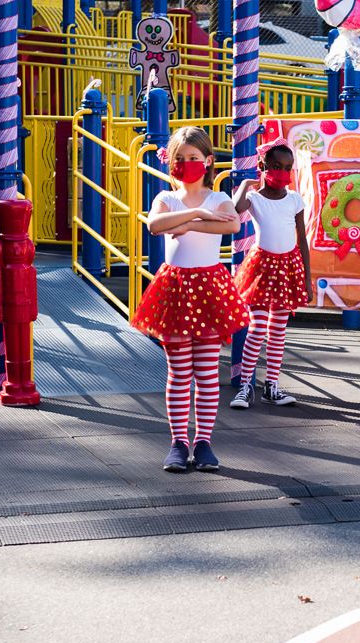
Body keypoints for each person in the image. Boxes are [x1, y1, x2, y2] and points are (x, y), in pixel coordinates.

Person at [130, 126, 248, 473]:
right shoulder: (166, 198)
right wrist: (199, 215)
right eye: (180, 158)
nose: (186, 163)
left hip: (209, 290)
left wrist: (190, 223)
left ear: (208, 160)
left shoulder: (218, 198)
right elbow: (155, 225)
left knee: (207, 373)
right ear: (171, 162)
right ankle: (179, 442)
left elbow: (232, 225)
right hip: (175, 290)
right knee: (180, 372)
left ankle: (203, 442)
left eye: (193, 157)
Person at [229, 142, 311, 409]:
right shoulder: (255, 198)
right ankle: (246, 386)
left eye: (287, 168)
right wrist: (246, 183)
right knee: (257, 329)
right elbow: (236, 209)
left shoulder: (294, 199)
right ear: (263, 166)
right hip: (262, 268)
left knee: (278, 331)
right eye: (276, 167)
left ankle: (271, 387)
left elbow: (302, 240)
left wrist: (307, 279)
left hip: (288, 267)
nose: (282, 173)